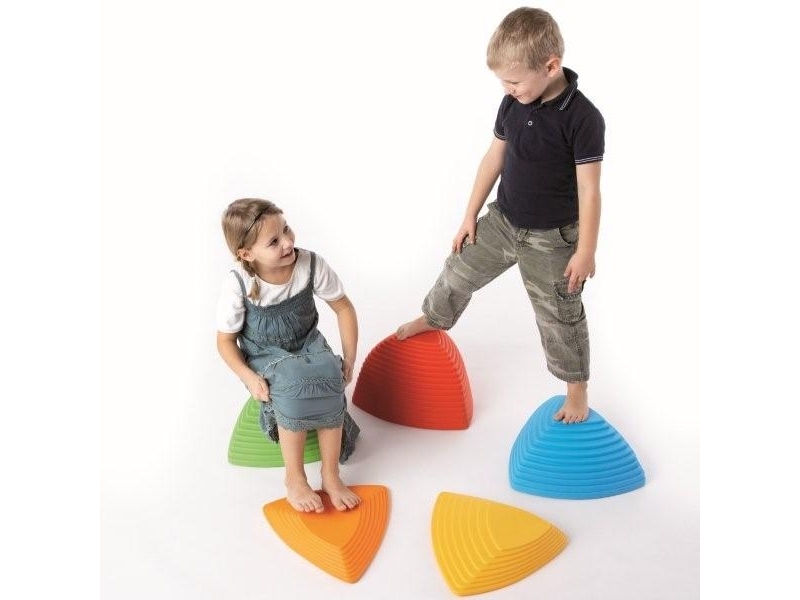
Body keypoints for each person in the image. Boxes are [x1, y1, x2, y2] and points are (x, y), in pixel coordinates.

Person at [397, 7, 604, 424]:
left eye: (513, 81)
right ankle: (435, 317)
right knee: (457, 269)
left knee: (559, 314)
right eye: (503, 82)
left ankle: (576, 389)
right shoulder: (512, 103)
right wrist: (469, 215)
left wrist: (585, 251)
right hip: (504, 221)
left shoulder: (583, 118)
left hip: (552, 238)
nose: (507, 89)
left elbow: (590, 189)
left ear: (550, 67)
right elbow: (494, 158)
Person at [216, 198, 361, 512]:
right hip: (264, 355)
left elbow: (343, 307)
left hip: (307, 344)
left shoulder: (310, 264)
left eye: (286, 229)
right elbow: (225, 341)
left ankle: (331, 475)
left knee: (329, 371)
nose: (288, 242)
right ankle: (295, 478)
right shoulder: (239, 283)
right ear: (246, 254)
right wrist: (248, 377)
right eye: (274, 241)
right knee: (294, 379)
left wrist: (349, 359)